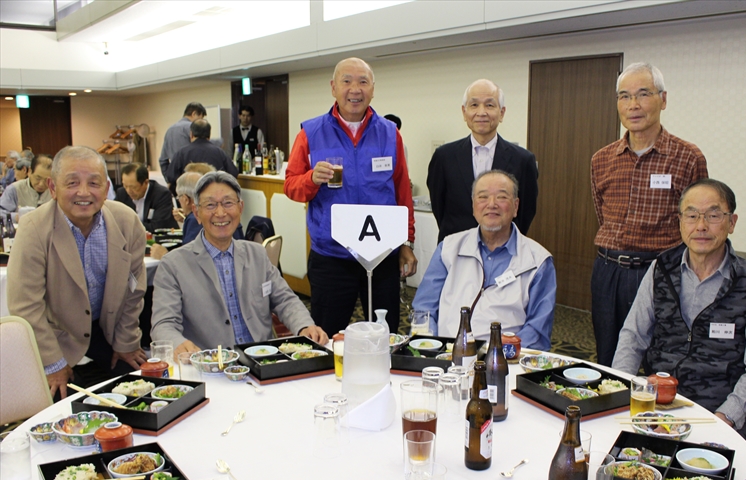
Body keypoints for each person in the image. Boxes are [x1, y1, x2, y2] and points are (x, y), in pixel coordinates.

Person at [613, 179, 746, 444]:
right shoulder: (662, 269)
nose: (701, 226)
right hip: (658, 405)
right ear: (680, 222)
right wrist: (622, 394)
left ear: (732, 222)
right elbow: (633, 337)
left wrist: (725, 417)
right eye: (691, 215)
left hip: (720, 411)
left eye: (713, 215)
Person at [284, 57, 417, 335]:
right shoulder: (310, 133)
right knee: (327, 336)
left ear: (373, 89)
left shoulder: (390, 133)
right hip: (331, 256)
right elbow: (291, 186)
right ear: (333, 87)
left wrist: (406, 242)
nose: (355, 89)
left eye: (363, 82)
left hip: (382, 254)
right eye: (347, 81)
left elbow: (402, 192)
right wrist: (311, 179)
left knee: (385, 335)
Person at [591, 62, 709, 366]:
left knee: (662, 359)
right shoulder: (602, 159)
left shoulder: (687, 157)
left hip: (661, 271)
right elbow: (602, 215)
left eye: (643, 94)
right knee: (608, 357)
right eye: (624, 96)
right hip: (609, 271)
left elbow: (697, 220)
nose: (633, 105)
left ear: (663, 99)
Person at [7, 146, 148, 400]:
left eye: (93, 183)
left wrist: (126, 342)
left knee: (142, 395)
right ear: (53, 188)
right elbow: (25, 306)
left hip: (109, 331)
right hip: (57, 337)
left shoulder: (126, 222)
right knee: (65, 406)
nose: (83, 192)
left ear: (106, 188)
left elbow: (134, 290)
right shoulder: (33, 229)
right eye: (72, 183)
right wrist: (53, 363)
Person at [151, 171, 327, 357]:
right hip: (211, 364)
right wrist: (178, 344)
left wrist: (304, 326)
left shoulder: (257, 254)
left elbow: (285, 299)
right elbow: (163, 324)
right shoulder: (174, 265)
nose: (220, 213)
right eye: (210, 205)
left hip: (262, 359)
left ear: (240, 207)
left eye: (228, 203)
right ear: (196, 213)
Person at [412, 170, 556, 349]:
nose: (492, 204)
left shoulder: (538, 261)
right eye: (483, 197)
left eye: (502, 197)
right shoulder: (449, 248)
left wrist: (497, 355)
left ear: (516, 206)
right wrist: (432, 347)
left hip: (505, 359)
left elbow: (536, 331)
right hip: (446, 355)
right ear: (473, 205)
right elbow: (424, 309)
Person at [427, 79, 539, 243]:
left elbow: (525, 212)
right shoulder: (444, 156)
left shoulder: (523, 160)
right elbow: (439, 207)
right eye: (474, 105)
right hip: (455, 246)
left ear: (502, 113)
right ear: (464, 112)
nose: (481, 112)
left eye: (489, 105)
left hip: (503, 248)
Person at [167, 119, 238, 185]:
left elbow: (171, 176)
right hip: (213, 191)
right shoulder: (219, 152)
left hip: (189, 192)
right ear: (209, 135)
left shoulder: (181, 153)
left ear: (191, 134)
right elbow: (233, 173)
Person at [114, 163, 178, 232]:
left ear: (146, 182)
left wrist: (127, 225)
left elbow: (157, 227)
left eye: (133, 187)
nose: (128, 191)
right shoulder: (122, 193)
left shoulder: (161, 194)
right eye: (125, 186)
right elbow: (113, 218)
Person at [159, 102, 206, 179]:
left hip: (176, 179)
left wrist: (168, 179)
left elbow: (163, 160)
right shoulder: (192, 128)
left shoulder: (170, 130)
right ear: (194, 114)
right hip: (192, 178)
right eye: (200, 118)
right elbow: (202, 150)